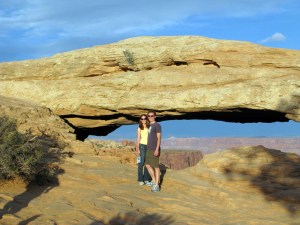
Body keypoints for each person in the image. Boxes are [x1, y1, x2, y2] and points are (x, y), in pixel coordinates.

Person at [145, 110, 162, 193]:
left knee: (156, 167)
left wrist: (157, 149)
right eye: (149, 116)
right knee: (147, 165)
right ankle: (154, 180)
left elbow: (159, 138)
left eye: (152, 116)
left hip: (154, 148)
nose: (150, 117)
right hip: (148, 149)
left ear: (155, 116)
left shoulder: (157, 125)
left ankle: (156, 185)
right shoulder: (148, 126)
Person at [136, 114, 151, 186]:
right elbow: (138, 138)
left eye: (145, 118)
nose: (143, 120)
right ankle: (140, 180)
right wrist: (137, 148)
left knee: (147, 163)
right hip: (142, 146)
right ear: (140, 120)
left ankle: (146, 179)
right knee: (141, 163)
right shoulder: (139, 128)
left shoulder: (149, 126)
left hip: (149, 146)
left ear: (146, 119)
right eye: (142, 119)